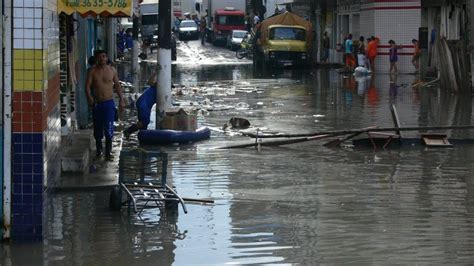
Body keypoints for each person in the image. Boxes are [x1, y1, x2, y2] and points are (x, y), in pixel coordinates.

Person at [86, 50, 125, 160]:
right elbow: (87, 87)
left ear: (107, 58)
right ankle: (99, 151)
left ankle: (108, 153)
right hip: (97, 104)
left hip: (109, 103)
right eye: (99, 57)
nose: (102, 59)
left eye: (104, 56)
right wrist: (89, 98)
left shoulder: (112, 70)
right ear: (96, 59)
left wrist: (122, 100)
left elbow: (117, 85)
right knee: (98, 129)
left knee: (109, 129)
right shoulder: (92, 71)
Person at [123, 74, 158, 139]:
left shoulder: (160, 90)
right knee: (144, 121)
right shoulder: (157, 86)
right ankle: (128, 131)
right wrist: (155, 73)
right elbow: (149, 82)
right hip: (143, 103)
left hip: (144, 104)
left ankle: (141, 139)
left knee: (144, 124)